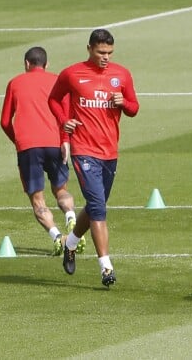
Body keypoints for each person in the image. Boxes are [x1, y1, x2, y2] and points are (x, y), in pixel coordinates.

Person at [48, 29, 139, 287]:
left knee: (94, 205)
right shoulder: (72, 74)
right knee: (99, 206)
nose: (105, 58)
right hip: (84, 150)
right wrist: (64, 121)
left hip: (110, 151)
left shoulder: (121, 75)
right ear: (89, 48)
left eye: (109, 53)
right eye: (101, 52)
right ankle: (106, 267)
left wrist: (124, 103)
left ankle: (71, 243)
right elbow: (53, 99)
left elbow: (134, 108)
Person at [0, 46, 85, 256]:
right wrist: (66, 140)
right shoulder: (58, 81)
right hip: (56, 143)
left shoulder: (15, 82)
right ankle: (71, 216)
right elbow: (67, 115)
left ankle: (56, 236)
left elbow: (4, 121)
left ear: (27, 64)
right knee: (61, 189)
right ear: (46, 64)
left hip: (28, 146)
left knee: (38, 199)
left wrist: (18, 140)